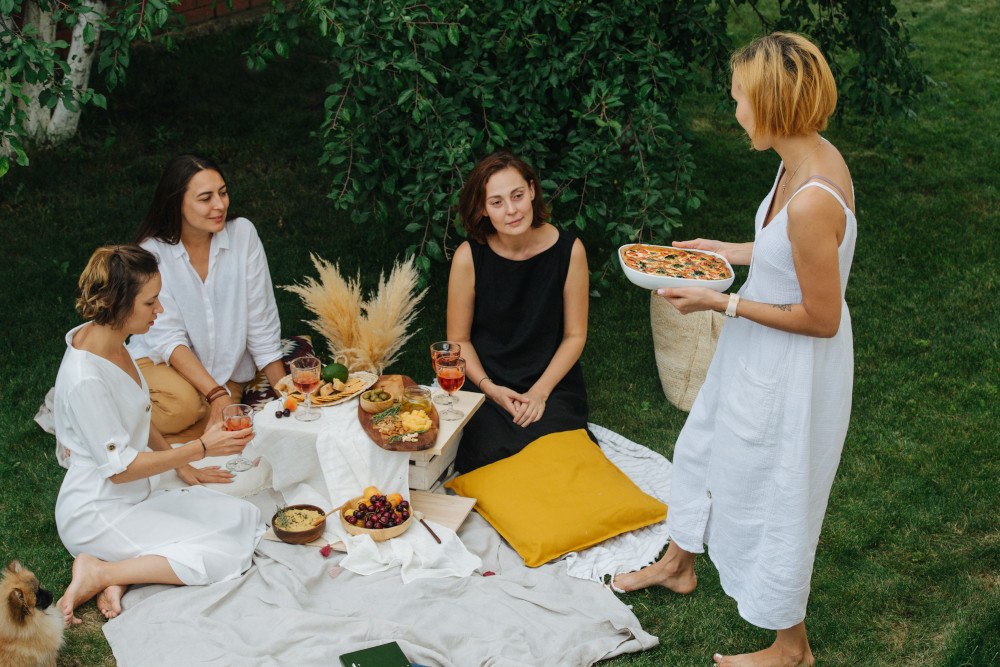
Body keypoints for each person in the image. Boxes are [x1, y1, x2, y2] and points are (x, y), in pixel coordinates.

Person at [613, 33, 856, 667]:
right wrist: (726, 252)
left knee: (773, 491)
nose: (735, 111)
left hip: (795, 365)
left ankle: (789, 648)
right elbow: (786, 260)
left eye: (741, 100)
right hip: (758, 344)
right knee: (700, 447)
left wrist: (719, 302)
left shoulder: (813, 198)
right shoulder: (797, 159)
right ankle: (678, 564)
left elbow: (822, 317)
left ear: (773, 104)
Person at [54, 246, 263, 627]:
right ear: (118, 304)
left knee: (244, 518)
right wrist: (198, 449)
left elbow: (138, 414)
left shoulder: (111, 342)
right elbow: (120, 471)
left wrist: (184, 468)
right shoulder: (85, 379)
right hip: (99, 511)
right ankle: (101, 572)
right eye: (151, 302)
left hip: (138, 491)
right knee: (224, 555)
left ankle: (121, 570)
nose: (160, 310)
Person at [128, 154, 285, 457]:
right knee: (184, 406)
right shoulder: (154, 252)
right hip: (160, 361)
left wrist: (288, 394)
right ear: (177, 203)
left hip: (225, 374)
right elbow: (167, 338)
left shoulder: (243, 235)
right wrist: (215, 394)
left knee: (229, 424)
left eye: (223, 192)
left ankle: (160, 441)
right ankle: (102, 415)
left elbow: (260, 320)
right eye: (205, 198)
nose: (220, 205)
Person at [447, 150, 591, 473]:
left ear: (532, 191)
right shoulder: (468, 258)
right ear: (483, 209)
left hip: (551, 381)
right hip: (488, 379)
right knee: (491, 452)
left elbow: (575, 335)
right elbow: (458, 341)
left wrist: (539, 393)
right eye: (497, 202)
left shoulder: (570, 251)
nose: (511, 210)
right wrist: (489, 388)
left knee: (560, 452)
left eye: (517, 196)